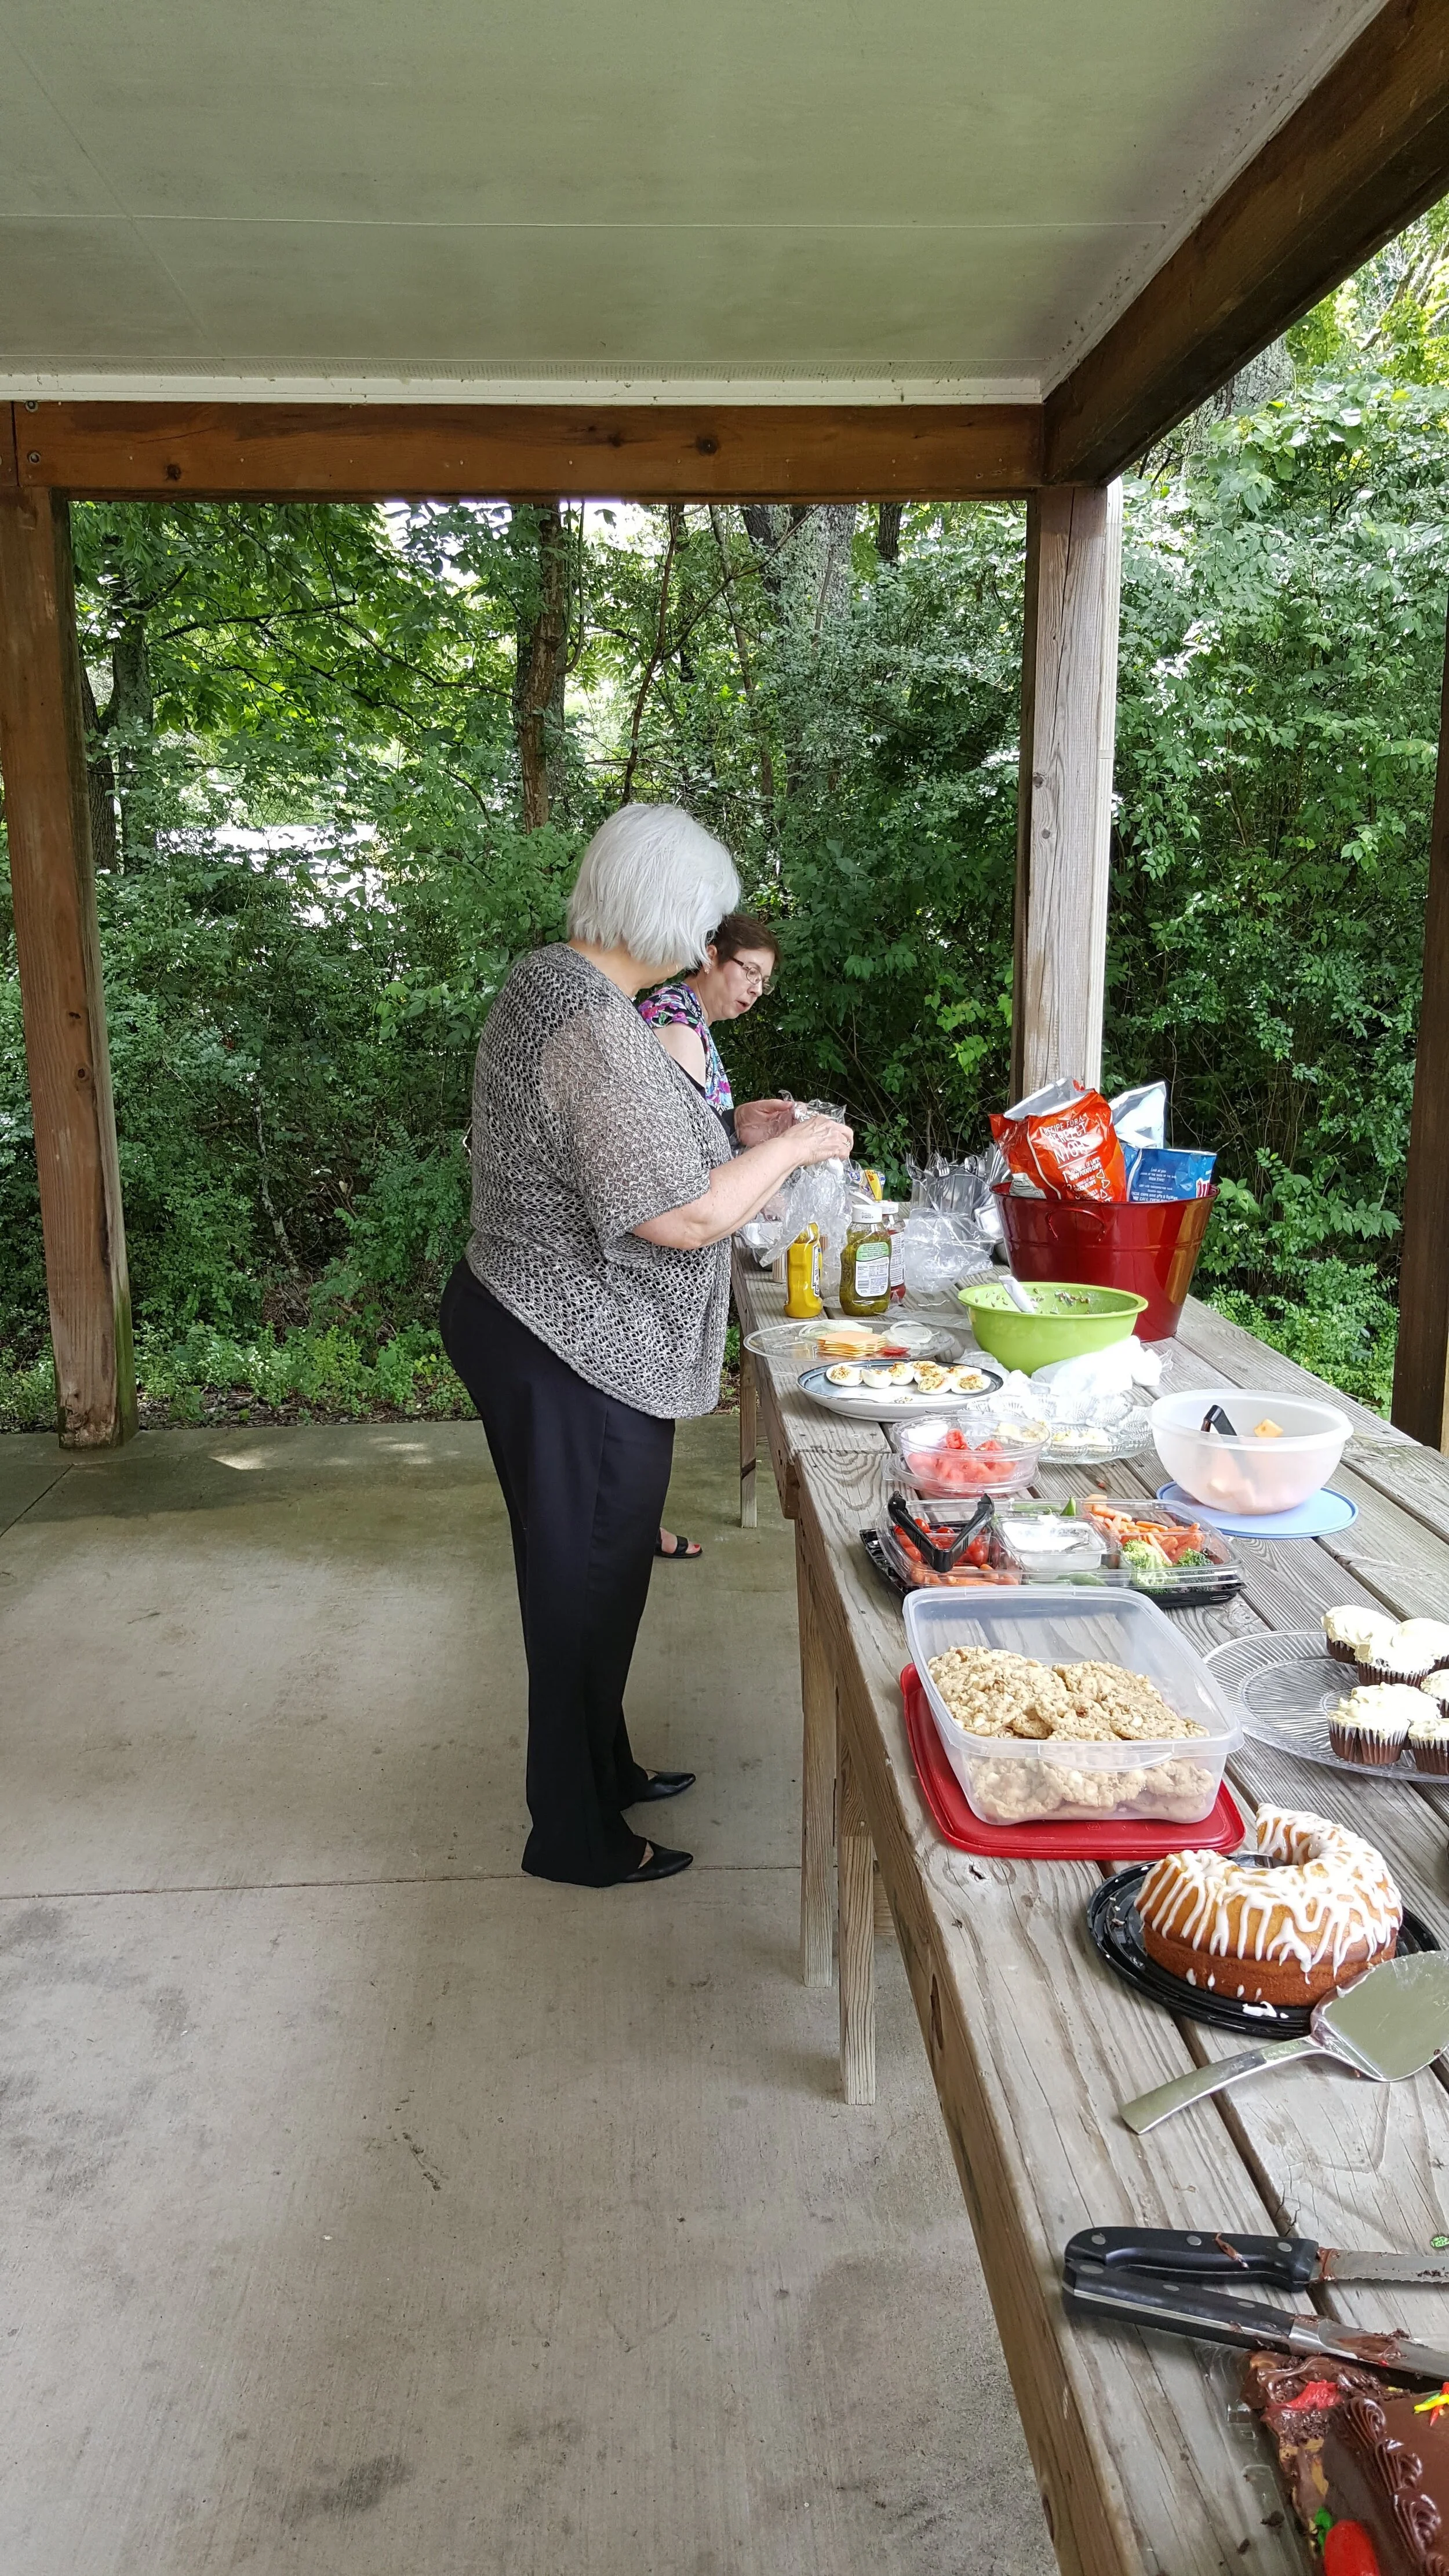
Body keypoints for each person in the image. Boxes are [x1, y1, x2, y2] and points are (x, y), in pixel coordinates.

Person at [439, 805, 852, 1889]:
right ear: (670, 910)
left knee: (603, 1572)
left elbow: (643, 1145)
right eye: (709, 918)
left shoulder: (579, 993)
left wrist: (741, 1133)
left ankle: (603, 1763)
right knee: (581, 1582)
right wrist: (806, 1142)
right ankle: (572, 1834)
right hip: (566, 1335)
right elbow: (679, 1213)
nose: (713, 940)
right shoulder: (584, 1017)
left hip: (560, 1325)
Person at [637, 912, 782, 1560]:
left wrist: (735, 1121)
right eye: (746, 970)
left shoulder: (691, 1023)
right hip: (651, 1256)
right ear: (708, 954)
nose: (753, 988)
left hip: (659, 1253)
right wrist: (780, 1156)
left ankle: (635, 1528)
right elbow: (673, 1172)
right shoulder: (676, 1027)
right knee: (642, 1399)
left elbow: (686, 1129)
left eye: (764, 980)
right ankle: (626, 1535)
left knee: (647, 1402)